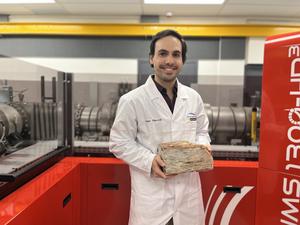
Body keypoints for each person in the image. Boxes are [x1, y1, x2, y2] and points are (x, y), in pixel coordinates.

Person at [109, 29, 211, 225]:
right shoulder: (132, 101)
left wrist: (202, 147)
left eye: (176, 54)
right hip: (152, 200)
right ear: (151, 59)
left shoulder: (193, 98)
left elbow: (202, 132)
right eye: (163, 53)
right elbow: (118, 142)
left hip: (187, 198)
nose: (169, 60)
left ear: (182, 61)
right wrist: (149, 161)